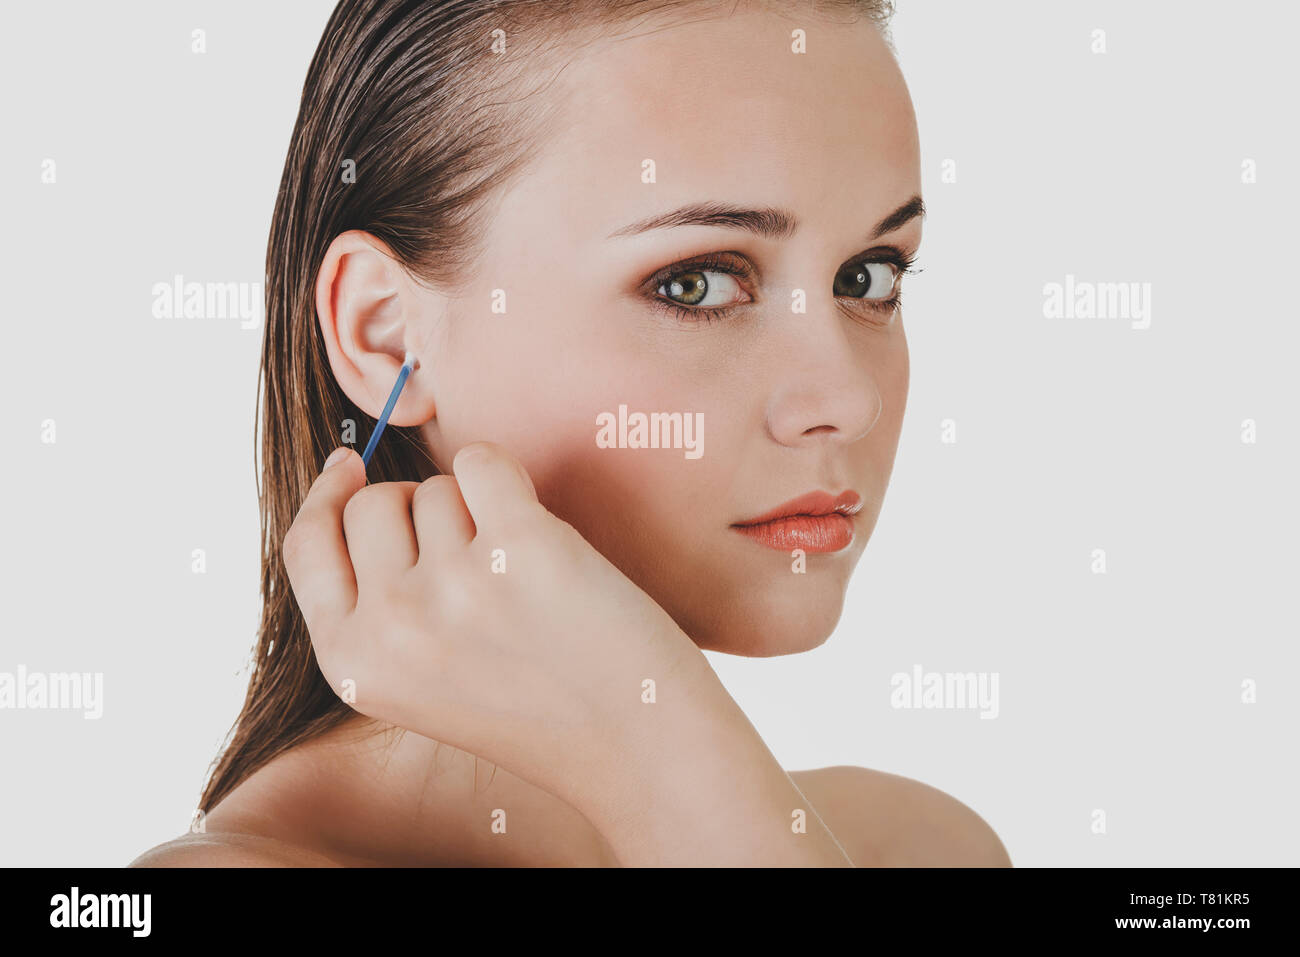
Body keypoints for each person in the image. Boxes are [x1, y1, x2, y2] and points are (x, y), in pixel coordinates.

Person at [132, 0, 1011, 867]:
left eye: (868, 274)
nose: (847, 398)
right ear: (386, 332)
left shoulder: (919, 843)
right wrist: (644, 736)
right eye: (697, 283)